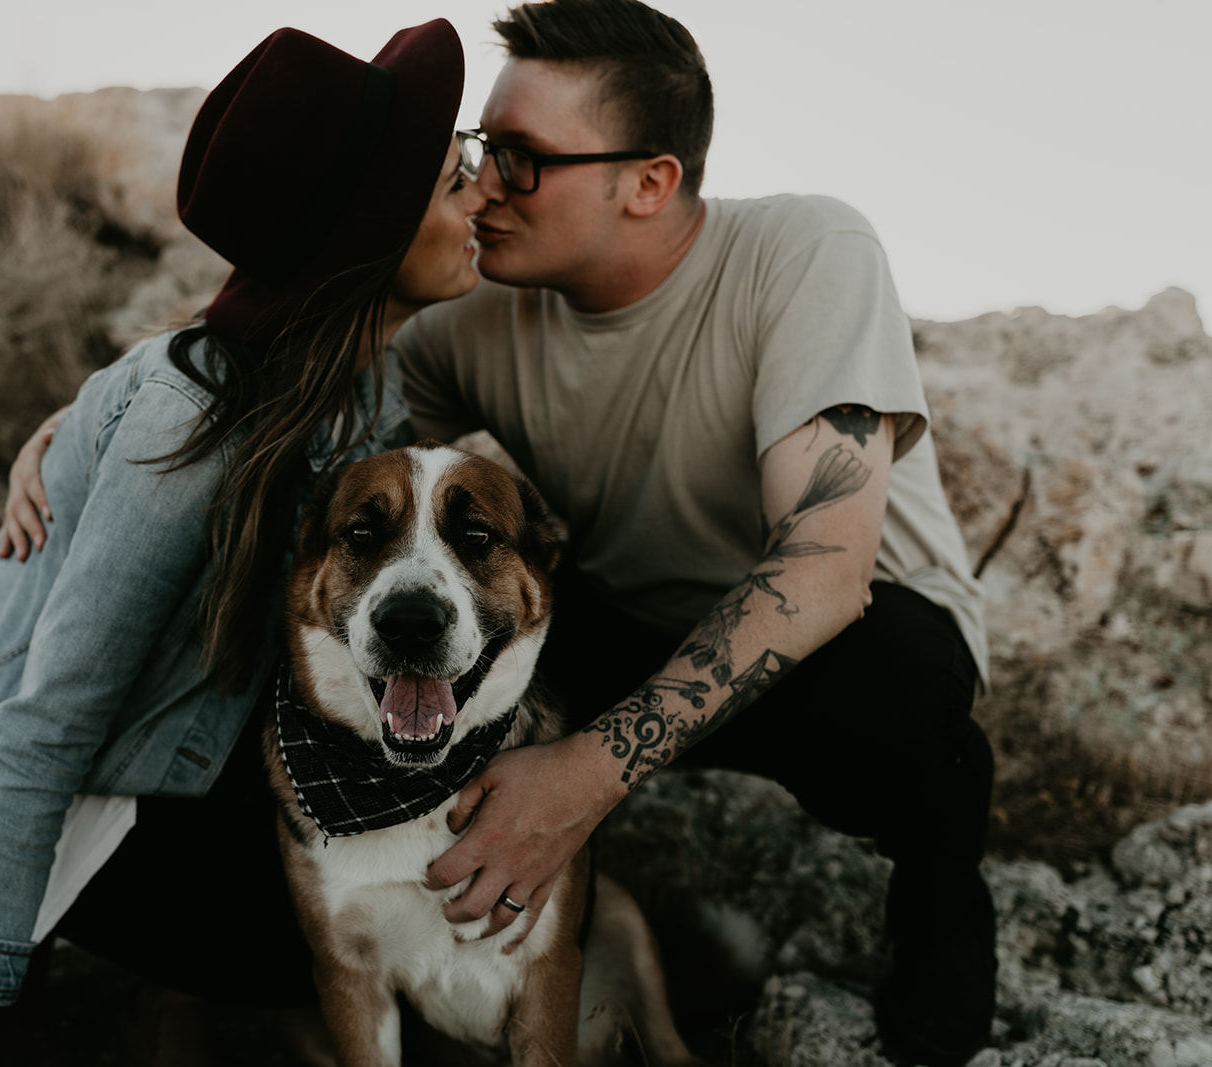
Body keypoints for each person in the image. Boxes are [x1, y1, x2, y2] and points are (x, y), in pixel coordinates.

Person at [0, 19, 483, 1066]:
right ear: (368, 231)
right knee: (333, 941)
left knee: (392, 895)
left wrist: (67, 433)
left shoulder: (356, 385)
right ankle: (88, 967)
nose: (482, 193)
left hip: (162, 729)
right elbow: (42, 719)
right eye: (455, 174)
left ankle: (172, 983)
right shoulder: (195, 435)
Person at [390, 3, 997, 1065]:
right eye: (483, 150)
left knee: (906, 696)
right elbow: (315, 423)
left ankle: (941, 901)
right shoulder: (467, 319)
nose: (484, 187)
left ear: (649, 183)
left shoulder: (807, 250)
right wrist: (106, 414)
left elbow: (821, 573)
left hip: (843, 644)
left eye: (524, 159)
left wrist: (584, 772)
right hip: (627, 621)